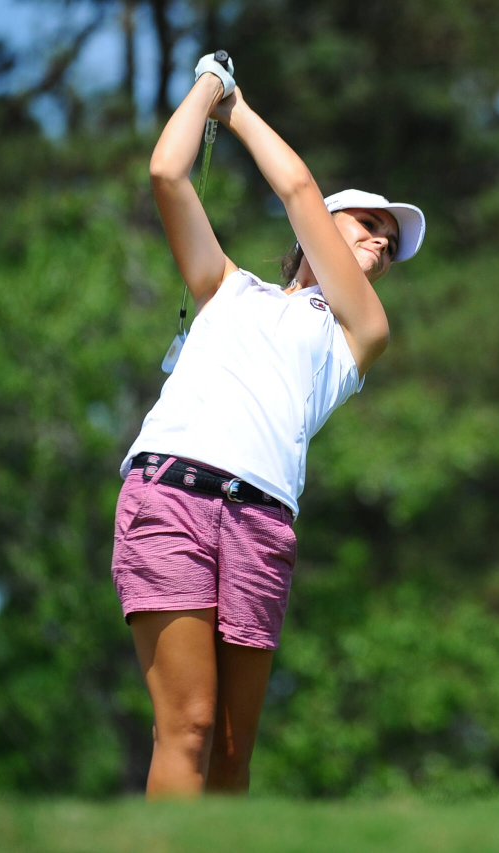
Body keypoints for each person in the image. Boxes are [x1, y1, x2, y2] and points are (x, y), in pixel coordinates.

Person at [110, 52, 426, 799]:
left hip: (261, 522)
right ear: (322, 229)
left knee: (230, 752)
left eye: (389, 243)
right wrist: (208, 87)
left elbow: (298, 189)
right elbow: (167, 172)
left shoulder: (359, 330)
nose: (381, 244)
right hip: (171, 496)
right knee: (186, 726)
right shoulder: (226, 287)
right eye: (368, 225)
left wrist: (238, 108)